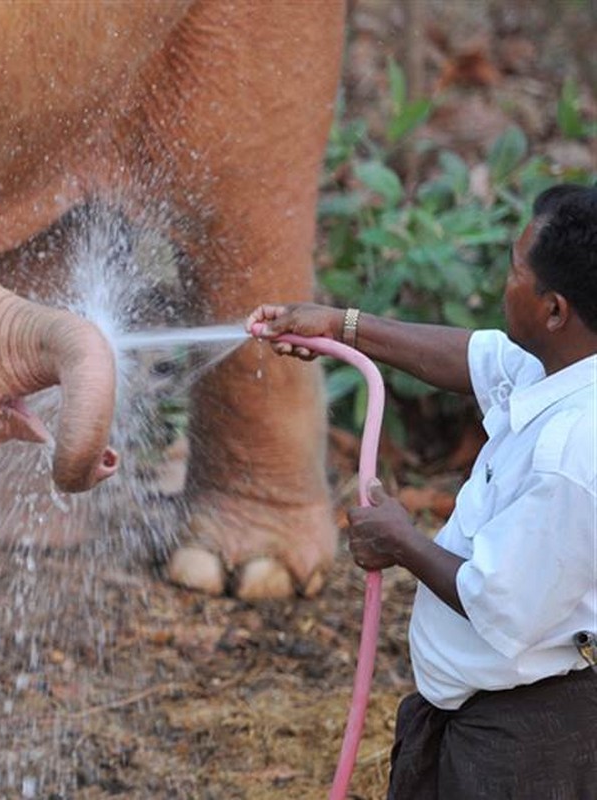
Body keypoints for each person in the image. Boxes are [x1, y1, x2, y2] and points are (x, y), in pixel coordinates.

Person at [248, 182, 597, 799]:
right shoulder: (562, 366)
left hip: (527, 740)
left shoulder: (572, 452)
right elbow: (472, 358)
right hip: (483, 713)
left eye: (517, 270)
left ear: (554, 311)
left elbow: (501, 603)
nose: (504, 280)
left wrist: (402, 541)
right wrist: (340, 325)